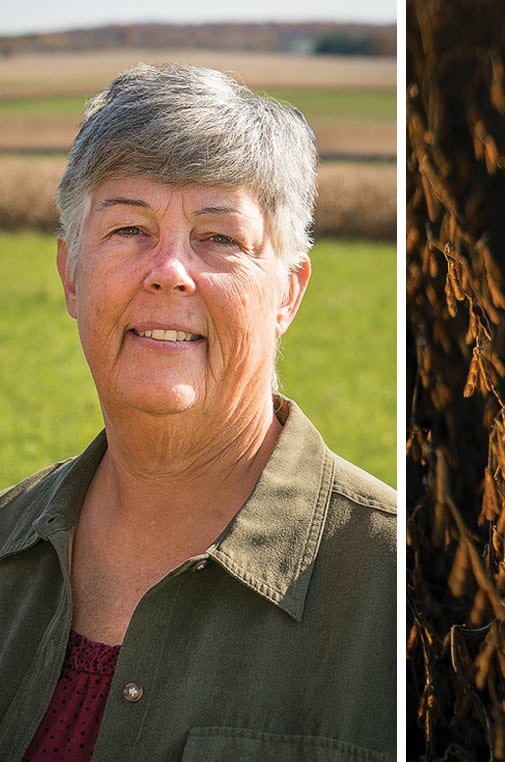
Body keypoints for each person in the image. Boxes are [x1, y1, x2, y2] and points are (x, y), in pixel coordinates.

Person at [0, 63, 396, 761]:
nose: (169, 269)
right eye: (129, 228)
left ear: (287, 296)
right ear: (70, 274)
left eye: (220, 238)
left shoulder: (396, 590)